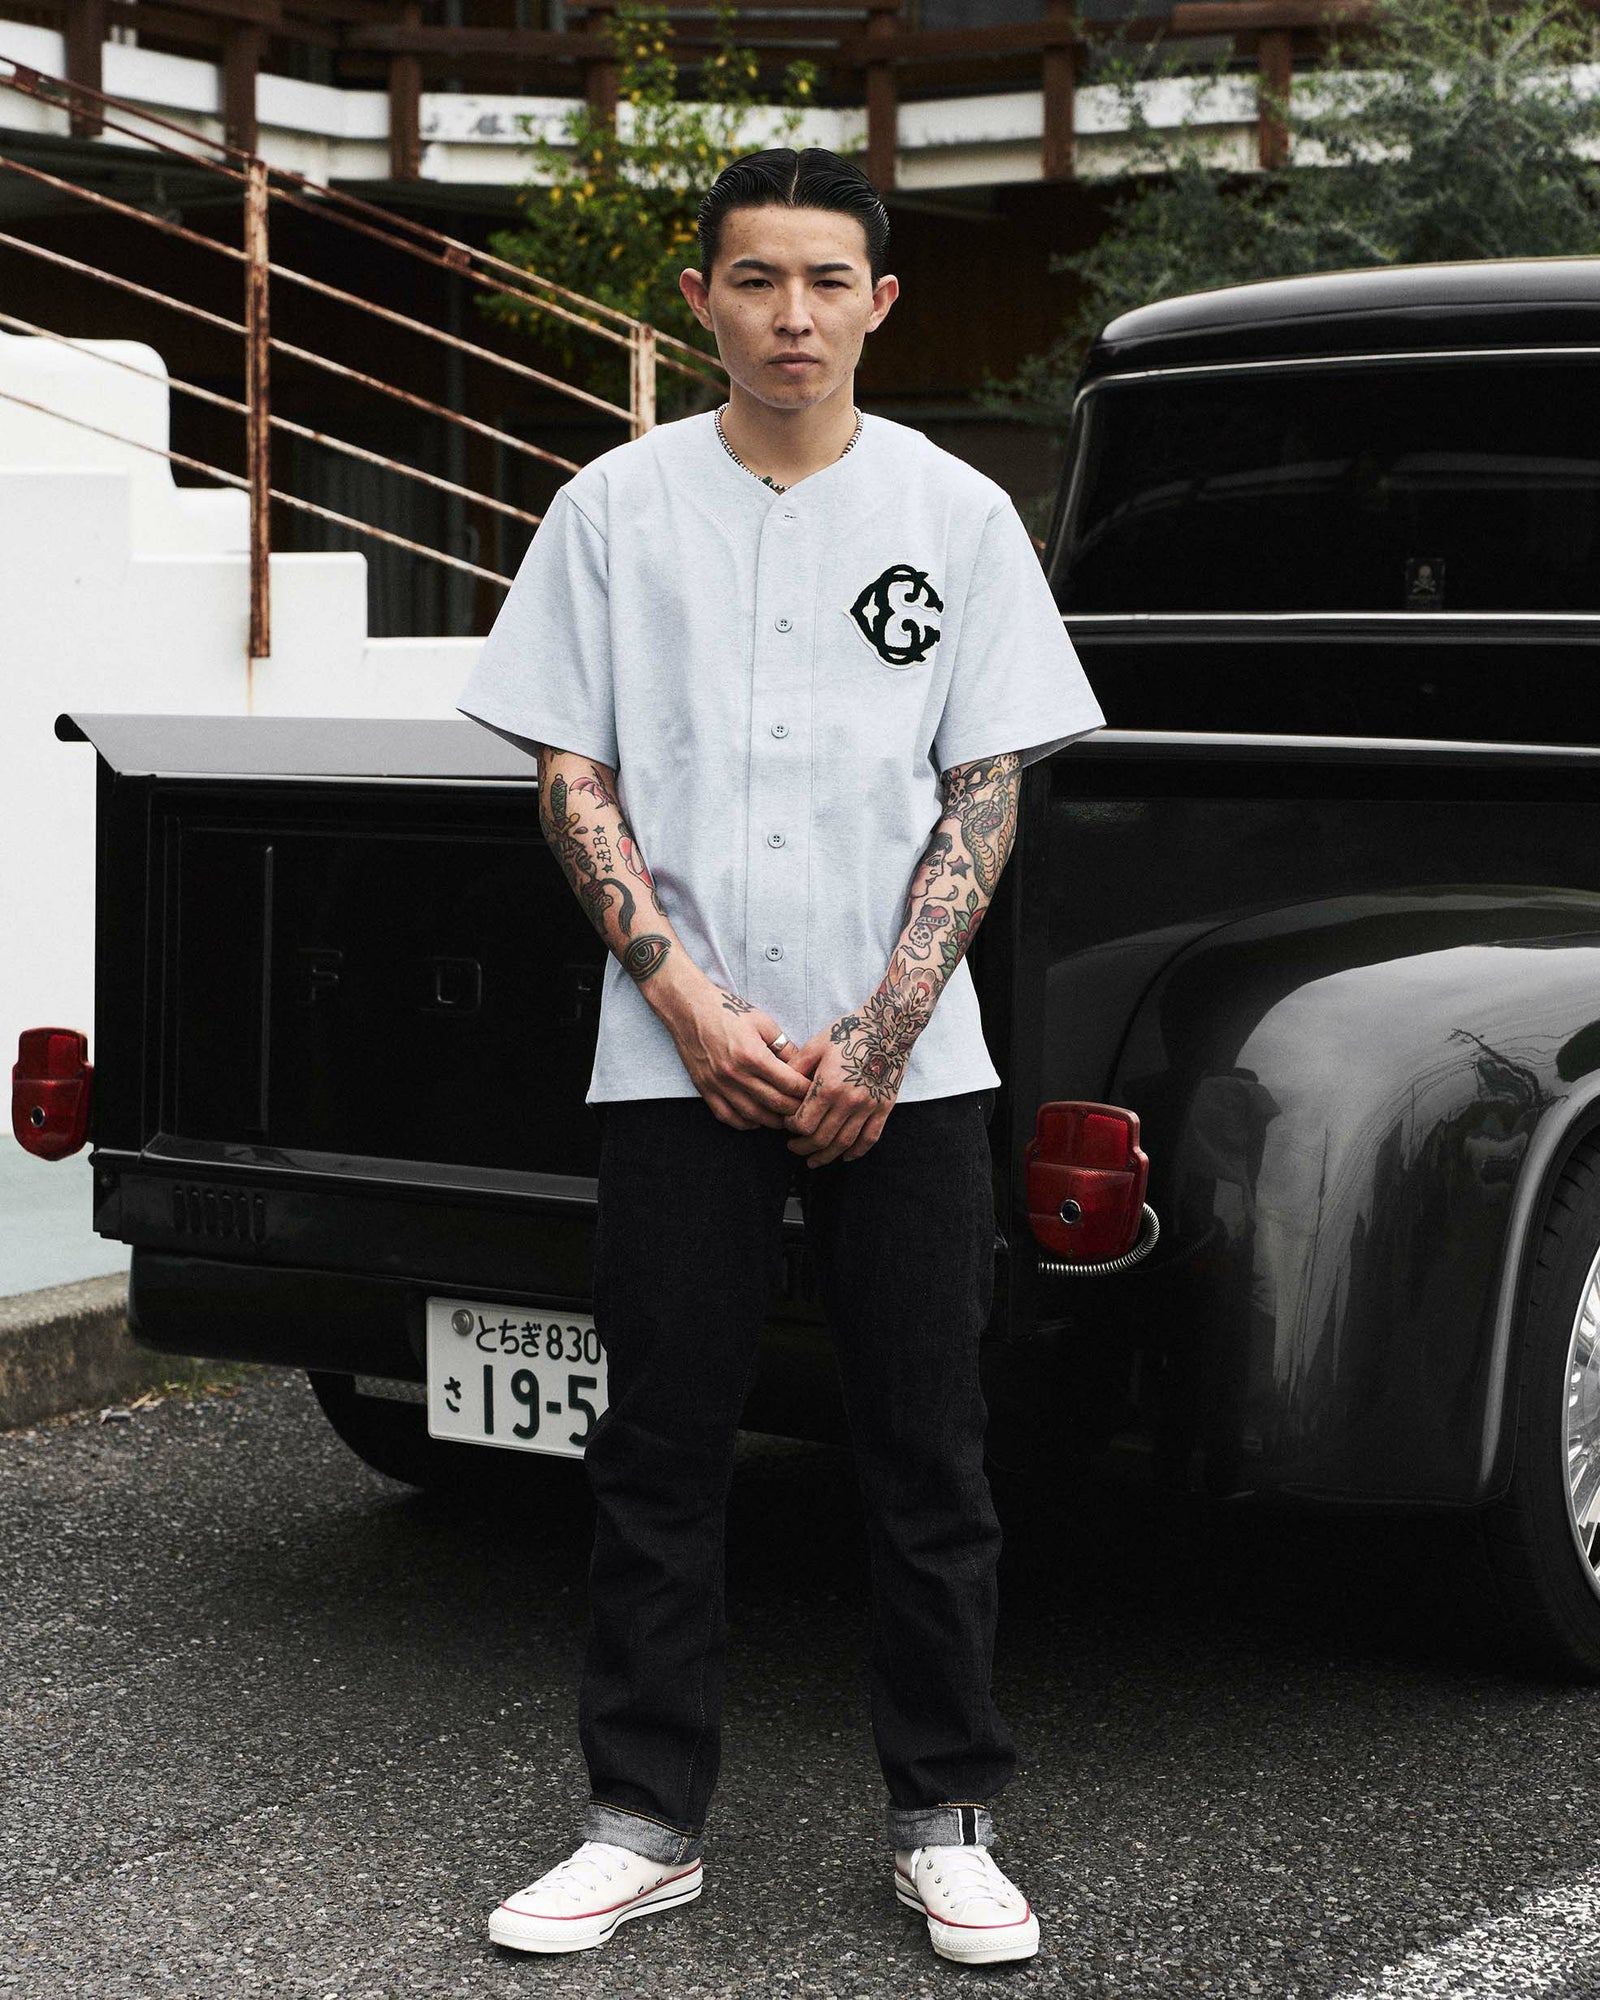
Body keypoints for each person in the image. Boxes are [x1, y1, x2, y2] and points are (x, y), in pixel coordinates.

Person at [455, 145, 1105, 1968]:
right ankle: (641, 1821)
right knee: (659, 1448)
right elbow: (570, 771)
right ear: (701, 300)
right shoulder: (613, 508)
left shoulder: (957, 513)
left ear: (880, 303)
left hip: (912, 1067)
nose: (792, 316)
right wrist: (685, 1001)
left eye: (827, 281)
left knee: (928, 1452)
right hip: (679, 1059)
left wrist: (883, 1033)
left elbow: (987, 786)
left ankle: (946, 1819)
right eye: (756, 279)